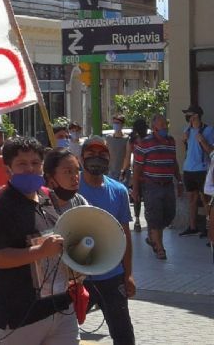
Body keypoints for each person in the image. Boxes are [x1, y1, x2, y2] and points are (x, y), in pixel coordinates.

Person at [0, 136, 79, 345]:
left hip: (60, 307)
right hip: (22, 315)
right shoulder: (0, 209)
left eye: (35, 163)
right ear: (8, 169)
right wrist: (39, 253)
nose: (30, 169)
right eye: (22, 164)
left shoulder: (48, 198)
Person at [77, 136, 136, 345]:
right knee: (63, 331)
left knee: (124, 335)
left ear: (109, 158)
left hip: (112, 276)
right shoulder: (71, 186)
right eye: (91, 154)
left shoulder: (119, 190)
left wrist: (128, 275)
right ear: (81, 157)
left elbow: (125, 235)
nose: (96, 158)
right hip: (77, 277)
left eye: (102, 154)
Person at [133, 114, 183, 260]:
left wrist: (179, 181)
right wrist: (135, 189)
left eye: (166, 125)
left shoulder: (170, 141)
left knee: (169, 215)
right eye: (162, 126)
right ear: (154, 128)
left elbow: (174, 162)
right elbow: (137, 168)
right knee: (155, 217)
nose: (165, 128)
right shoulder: (144, 143)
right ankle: (159, 247)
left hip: (168, 185)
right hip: (151, 186)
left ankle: (152, 237)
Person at [179, 105, 214, 237]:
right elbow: (186, 149)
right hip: (188, 169)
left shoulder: (209, 130)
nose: (187, 116)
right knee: (192, 200)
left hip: (202, 169)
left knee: (206, 200)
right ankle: (192, 227)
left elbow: (211, 151)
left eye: (189, 114)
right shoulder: (187, 129)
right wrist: (184, 140)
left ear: (196, 115)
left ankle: (209, 228)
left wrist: (202, 140)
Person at [120, 118, 149, 232]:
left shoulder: (132, 141)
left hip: (137, 172)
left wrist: (123, 171)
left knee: (136, 197)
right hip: (149, 173)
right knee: (148, 199)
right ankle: (149, 221)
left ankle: (137, 220)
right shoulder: (149, 140)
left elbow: (127, 158)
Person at [43, 148, 88, 213]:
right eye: (68, 172)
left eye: (77, 171)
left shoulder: (79, 202)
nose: (75, 177)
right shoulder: (41, 208)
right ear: (50, 177)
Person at [106, 114, 129, 180]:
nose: (115, 125)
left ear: (122, 125)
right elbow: (106, 154)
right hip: (110, 172)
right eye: (114, 123)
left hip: (122, 173)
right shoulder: (108, 138)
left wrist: (123, 171)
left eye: (117, 123)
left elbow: (127, 157)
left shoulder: (127, 139)